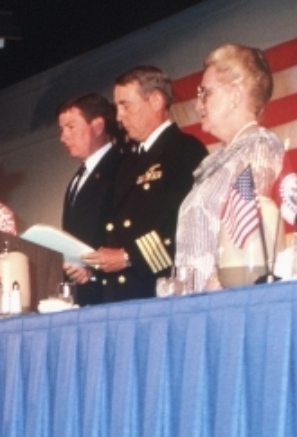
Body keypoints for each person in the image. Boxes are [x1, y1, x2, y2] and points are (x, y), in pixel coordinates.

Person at [80, 66, 209, 304]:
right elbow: (117, 231)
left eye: (125, 105)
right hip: (122, 294)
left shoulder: (184, 150)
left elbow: (185, 228)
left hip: (159, 292)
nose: (119, 117)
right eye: (117, 107)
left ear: (156, 101)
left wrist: (129, 256)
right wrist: (93, 265)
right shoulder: (129, 162)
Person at [173, 45, 287, 289]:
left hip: (224, 300)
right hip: (197, 300)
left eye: (205, 93)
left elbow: (251, 242)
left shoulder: (258, 147)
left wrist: (216, 293)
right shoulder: (216, 161)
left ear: (235, 95)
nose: (197, 105)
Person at [55, 93, 125, 282]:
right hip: (82, 286)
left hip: (112, 286)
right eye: (61, 129)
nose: (63, 137)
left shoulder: (122, 167)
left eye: (71, 127)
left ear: (98, 126)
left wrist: (94, 271)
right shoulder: (77, 179)